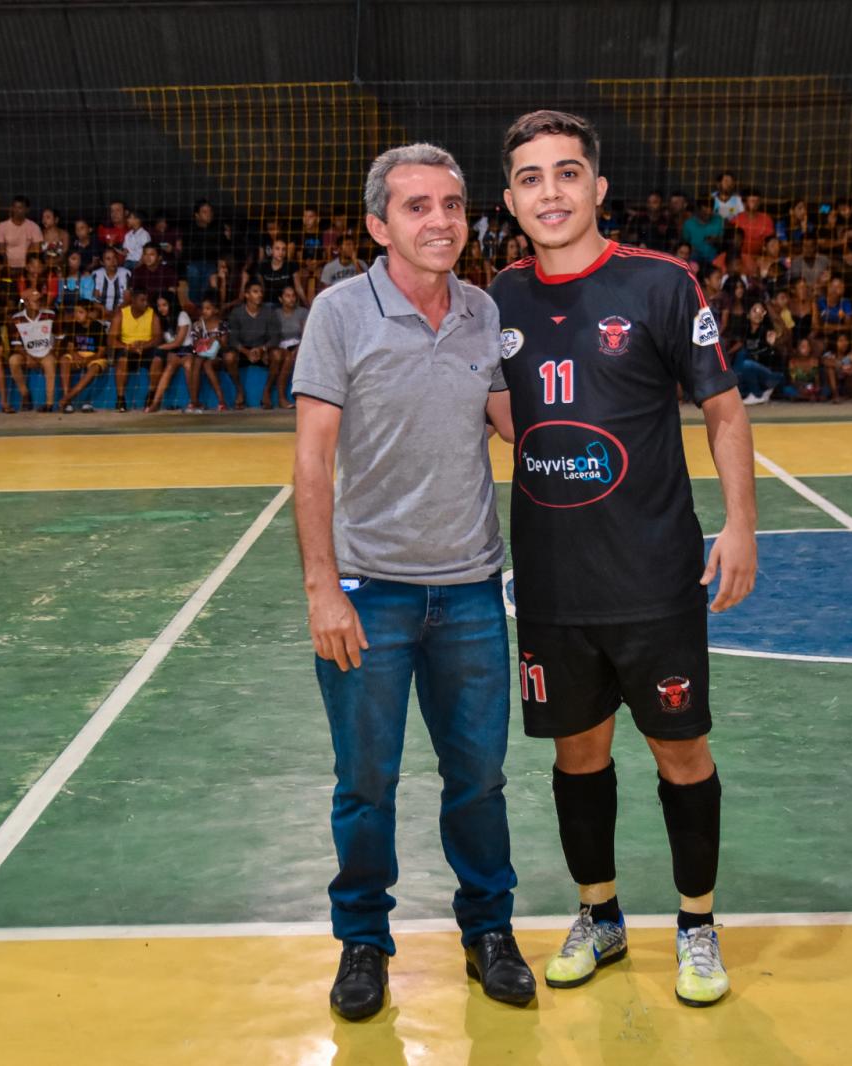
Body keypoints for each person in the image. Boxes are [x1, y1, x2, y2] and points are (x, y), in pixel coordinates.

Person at [492, 110, 755, 1007]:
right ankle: (599, 917)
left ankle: (697, 924)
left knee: (682, 753)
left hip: (652, 573)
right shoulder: (497, 301)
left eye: (568, 174)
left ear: (598, 188)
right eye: (531, 178)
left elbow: (723, 408)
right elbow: (505, 412)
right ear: (511, 199)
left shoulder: (662, 284)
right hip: (555, 580)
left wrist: (742, 524)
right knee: (578, 755)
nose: (551, 192)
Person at [292, 142, 531, 1022]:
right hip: (371, 591)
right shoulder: (340, 313)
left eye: (453, 205)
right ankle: (362, 943)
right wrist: (324, 589)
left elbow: (520, 427)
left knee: (479, 779)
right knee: (366, 781)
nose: (440, 221)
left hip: (471, 590)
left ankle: (489, 932)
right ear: (377, 225)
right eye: (417, 206)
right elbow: (312, 462)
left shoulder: (483, 313)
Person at [225, 280, 282, 409]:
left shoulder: (269, 312)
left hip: (263, 350)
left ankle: (266, 392)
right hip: (243, 352)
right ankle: (239, 391)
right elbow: (232, 339)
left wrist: (262, 349)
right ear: (246, 295)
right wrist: (246, 352)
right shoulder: (236, 313)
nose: (260, 295)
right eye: (255, 292)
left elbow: (275, 337)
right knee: (229, 357)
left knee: (277, 355)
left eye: (261, 292)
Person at [6, 286, 60, 412]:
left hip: (46, 353)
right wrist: (28, 356)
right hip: (27, 355)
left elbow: (59, 338)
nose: (39, 303)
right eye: (35, 300)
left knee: (49, 362)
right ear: (26, 303)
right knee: (13, 360)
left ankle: (49, 404)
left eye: (40, 300)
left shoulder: (50, 315)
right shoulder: (16, 319)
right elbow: (16, 344)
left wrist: (52, 352)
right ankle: (25, 394)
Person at [108, 286, 160, 412]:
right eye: (142, 300)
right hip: (127, 348)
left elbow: (158, 338)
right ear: (133, 300)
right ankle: (120, 399)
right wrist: (128, 347)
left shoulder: (152, 314)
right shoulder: (121, 314)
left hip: (146, 348)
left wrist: (144, 346)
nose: (145, 303)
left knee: (158, 359)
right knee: (122, 361)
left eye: (147, 300)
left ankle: (151, 395)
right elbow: (111, 340)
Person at [58, 301, 110, 414]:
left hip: (94, 357)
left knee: (94, 367)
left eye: (80, 312)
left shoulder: (97, 327)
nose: (77, 315)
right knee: (64, 360)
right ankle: (67, 399)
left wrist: (88, 360)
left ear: (89, 313)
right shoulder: (73, 325)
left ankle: (68, 397)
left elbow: (101, 352)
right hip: (78, 354)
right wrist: (76, 356)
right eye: (75, 312)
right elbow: (70, 347)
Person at [185, 296, 228, 412]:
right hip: (201, 355)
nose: (204, 311)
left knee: (207, 365)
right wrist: (202, 342)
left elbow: (225, 346)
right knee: (197, 362)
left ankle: (221, 401)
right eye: (203, 308)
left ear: (216, 310)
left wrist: (215, 339)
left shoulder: (221, 324)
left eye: (208, 308)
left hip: (217, 356)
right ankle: (194, 402)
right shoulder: (197, 325)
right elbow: (194, 346)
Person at [271, 285, 306, 409]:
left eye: (293, 296)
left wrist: (298, 349)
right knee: (286, 357)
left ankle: (299, 397)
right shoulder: (275, 314)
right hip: (281, 346)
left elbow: (305, 335)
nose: (291, 299)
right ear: (281, 299)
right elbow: (273, 336)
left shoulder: (302, 312)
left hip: (299, 345)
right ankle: (281, 398)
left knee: (293, 356)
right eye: (287, 296)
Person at [0, 196, 43, 273]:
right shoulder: (2, 226)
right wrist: (6, 267)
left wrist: (28, 266)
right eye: (14, 207)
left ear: (27, 210)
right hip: (8, 267)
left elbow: (37, 250)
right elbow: (1, 250)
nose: (16, 210)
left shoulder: (34, 227)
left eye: (20, 208)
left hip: (28, 268)